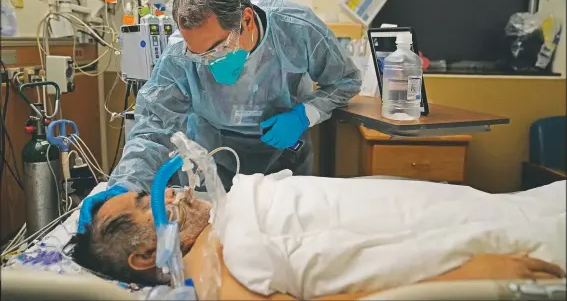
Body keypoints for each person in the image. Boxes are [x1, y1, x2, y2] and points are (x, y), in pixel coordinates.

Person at [77, 0, 361, 233]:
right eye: (200, 57)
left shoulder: (296, 29)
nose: (212, 65)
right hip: (211, 163)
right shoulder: (180, 54)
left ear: (247, 20)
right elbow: (153, 129)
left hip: (283, 159)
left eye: (218, 49)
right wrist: (123, 187)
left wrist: (304, 115)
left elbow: (345, 81)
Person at [67, 176, 566, 299]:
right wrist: (468, 279)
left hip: (499, 204)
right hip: (508, 238)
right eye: (146, 201)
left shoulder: (231, 214)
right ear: (148, 254)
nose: (171, 190)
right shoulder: (223, 263)